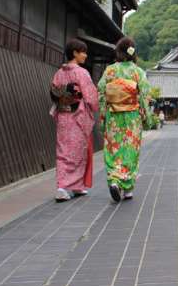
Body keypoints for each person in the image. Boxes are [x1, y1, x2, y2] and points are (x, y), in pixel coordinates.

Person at [98, 37, 150, 202]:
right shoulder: (138, 72)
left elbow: (101, 92)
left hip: (114, 116)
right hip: (132, 117)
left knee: (114, 149)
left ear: (118, 52)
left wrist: (103, 116)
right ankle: (127, 188)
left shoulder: (110, 71)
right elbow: (144, 96)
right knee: (130, 150)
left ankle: (114, 180)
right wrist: (146, 117)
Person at [50, 38, 98, 202]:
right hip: (77, 116)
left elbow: (55, 93)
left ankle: (75, 185)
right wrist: (94, 106)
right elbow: (91, 96)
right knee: (76, 150)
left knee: (64, 150)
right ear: (75, 53)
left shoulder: (59, 72)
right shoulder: (81, 73)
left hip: (63, 114)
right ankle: (63, 187)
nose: (85, 55)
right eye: (83, 52)